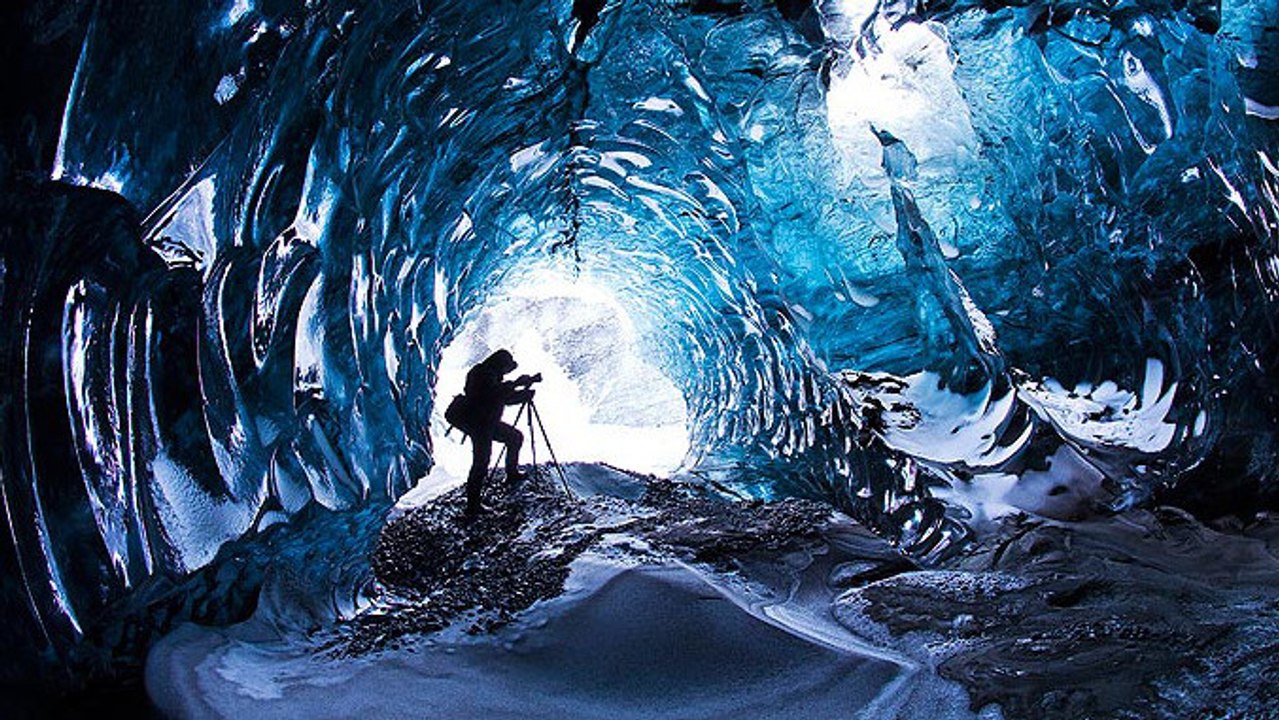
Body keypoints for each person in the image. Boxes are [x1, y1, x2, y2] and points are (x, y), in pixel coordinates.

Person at [453, 349, 540, 518]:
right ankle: (473, 506)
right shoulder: (480, 373)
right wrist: (515, 384)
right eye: (507, 368)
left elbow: (503, 398)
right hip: (478, 423)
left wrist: (523, 394)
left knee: (515, 437)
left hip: (488, 423)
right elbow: (490, 394)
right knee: (481, 462)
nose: (507, 372)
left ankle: (512, 474)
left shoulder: (493, 375)